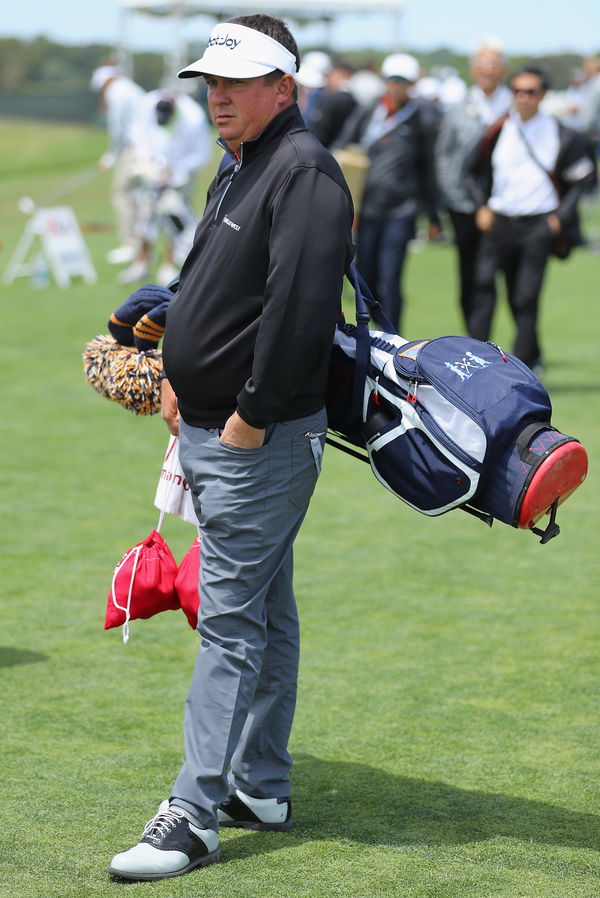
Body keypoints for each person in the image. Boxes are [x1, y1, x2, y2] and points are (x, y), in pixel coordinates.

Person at [108, 14, 354, 882]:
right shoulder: (242, 163)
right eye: (210, 81)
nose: (218, 95)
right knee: (266, 607)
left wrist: (246, 416)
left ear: (284, 87)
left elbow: (298, 313)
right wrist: (177, 371)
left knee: (229, 625)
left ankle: (195, 813)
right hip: (216, 429)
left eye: (238, 81)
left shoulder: (305, 171)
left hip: (259, 437)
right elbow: (207, 284)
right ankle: (262, 784)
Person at [464, 65, 596, 373]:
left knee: (525, 298)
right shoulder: (497, 130)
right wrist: (480, 207)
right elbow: (471, 172)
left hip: (538, 224)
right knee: (482, 288)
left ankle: (523, 369)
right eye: (517, 91)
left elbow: (581, 179)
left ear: (543, 95)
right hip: (498, 222)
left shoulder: (561, 133)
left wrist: (559, 218)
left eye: (531, 92)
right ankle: (470, 364)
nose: (523, 98)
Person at [338, 52, 440, 332]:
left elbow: (427, 168)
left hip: (401, 210)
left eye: (403, 81)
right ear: (385, 81)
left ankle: (394, 339)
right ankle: (374, 334)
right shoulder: (371, 111)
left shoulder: (420, 118)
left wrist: (433, 216)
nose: (398, 87)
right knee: (366, 276)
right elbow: (345, 144)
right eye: (393, 80)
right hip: (368, 209)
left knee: (390, 278)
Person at [435, 39, 512, 330]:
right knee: (470, 274)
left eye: (493, 65)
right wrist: (450, 194)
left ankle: (494, 342)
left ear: (503, 69)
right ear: (473, 69)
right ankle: (473, 337)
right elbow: (444, 154)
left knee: (493, 275)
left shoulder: (512, 105)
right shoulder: (459, 108)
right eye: (482, 65)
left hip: (504, 203)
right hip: (463, 205)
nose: (488, 71)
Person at [117, 89, 212, 285]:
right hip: (151, 173)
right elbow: (137, 134)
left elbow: (202, 154)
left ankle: (169, 265)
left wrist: (176, 169)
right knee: (146, 218)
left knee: (173, 219)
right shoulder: (146, 105)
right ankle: (141, 262)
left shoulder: (193, 116)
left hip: (180, 176)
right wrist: (147, 160)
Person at [89, 64, 145, 265]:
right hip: (145, 148)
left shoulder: (117, 92)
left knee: (121, 194)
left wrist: (112, 154)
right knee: (138, 196)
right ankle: (141, 246)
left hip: (133, 149)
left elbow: (118, 128)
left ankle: (131, 246)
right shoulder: (130, 87)